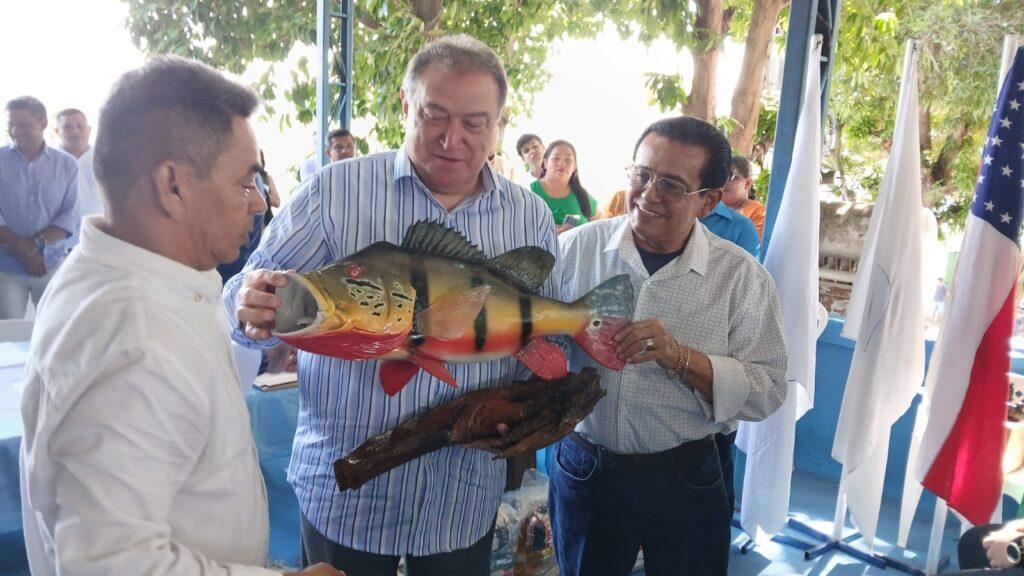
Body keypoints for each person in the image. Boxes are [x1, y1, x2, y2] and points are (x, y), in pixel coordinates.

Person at [225, 34, 559, 575]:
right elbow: (242, 300)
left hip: (461, 498)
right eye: (434, 115)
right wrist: (248, 305)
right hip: (345, 495)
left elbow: (543, 334)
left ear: (499, 123)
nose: (452, 139)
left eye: (475, 122)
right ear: (406, 105)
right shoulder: (335, 193)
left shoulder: (529, 216)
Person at [19, 55, 341, 576]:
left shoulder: (133, 280)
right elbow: (108, 564)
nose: (259, 204)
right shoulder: (133, 334)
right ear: (174, 186)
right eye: (244, 182)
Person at [549, 116, 788, 576]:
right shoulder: (574, 251)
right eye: (642, 174)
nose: (648, 193)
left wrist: (680, 358)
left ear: (710, 200)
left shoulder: (739, 278)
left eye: (672, 185)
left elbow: (769, 389)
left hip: (685, 474)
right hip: (587, 466)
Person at [0, 96, 78, 319]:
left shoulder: (66, 164)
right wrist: (24, 251)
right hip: (5, 268)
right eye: (10, 124)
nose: (15, 130)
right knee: (6, 339)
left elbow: (69, 216)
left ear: (43, 123)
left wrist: (33, 246)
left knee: (55, 331)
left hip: (50, 265)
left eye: (23, 124)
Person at [529, 140, 599, 233]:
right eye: (556, 158)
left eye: (568, 159)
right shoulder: (530, 192)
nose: (562, 163)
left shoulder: (582, 195)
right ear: (545, 163)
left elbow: (598, 226)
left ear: (574, 167)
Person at [54, 108, 103, 218]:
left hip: (97, 229)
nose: (75, 131)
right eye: (67, 127)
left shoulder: (104, 157)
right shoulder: (48, 161)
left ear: (89, 129)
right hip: (60, 231)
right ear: (57, 131)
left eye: (80, 126)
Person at [722, 154, 766, 239]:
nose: (723, 181)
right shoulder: (709, 209)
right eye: (720, 175)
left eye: (730, 176)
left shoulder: (759, 213)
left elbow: (753, 247)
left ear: (747, 183)